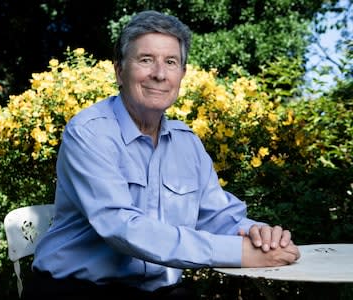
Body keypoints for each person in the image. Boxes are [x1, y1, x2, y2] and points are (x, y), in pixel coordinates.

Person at [23, 10, 300, 299]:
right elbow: (121, 227)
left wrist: (259, 235)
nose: (159, 73)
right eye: (146, 60)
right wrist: (236, 253)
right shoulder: (89, 132)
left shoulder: (187, 143)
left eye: (171, 62)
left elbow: (218, 216)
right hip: (74, 289)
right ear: (119, 71)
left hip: (158, 291)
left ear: (182, 74)